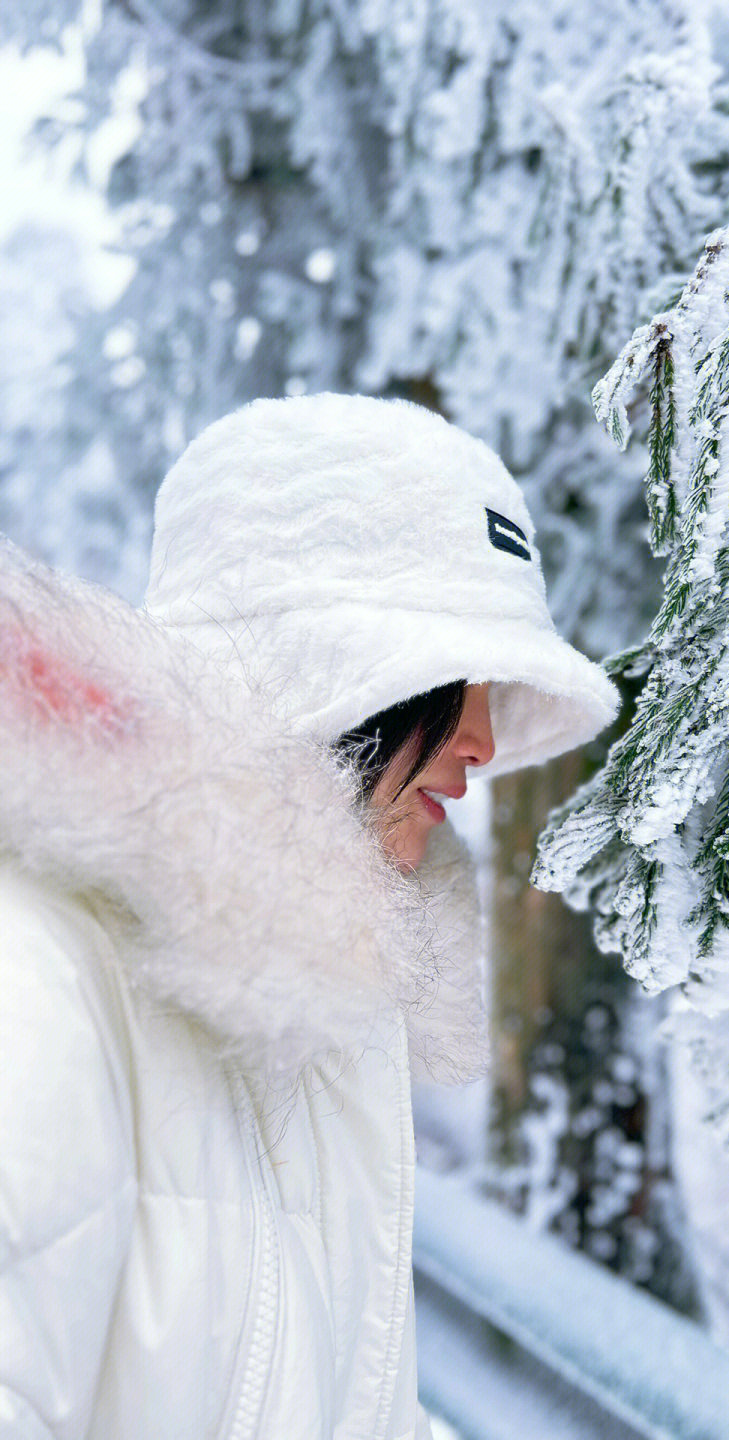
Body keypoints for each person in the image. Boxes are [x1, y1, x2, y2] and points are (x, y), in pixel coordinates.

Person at [0, 393, 619, 1439]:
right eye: (455, 674)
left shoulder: (324, 1008)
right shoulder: (42, 971)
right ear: (322, 662)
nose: (482, 738)